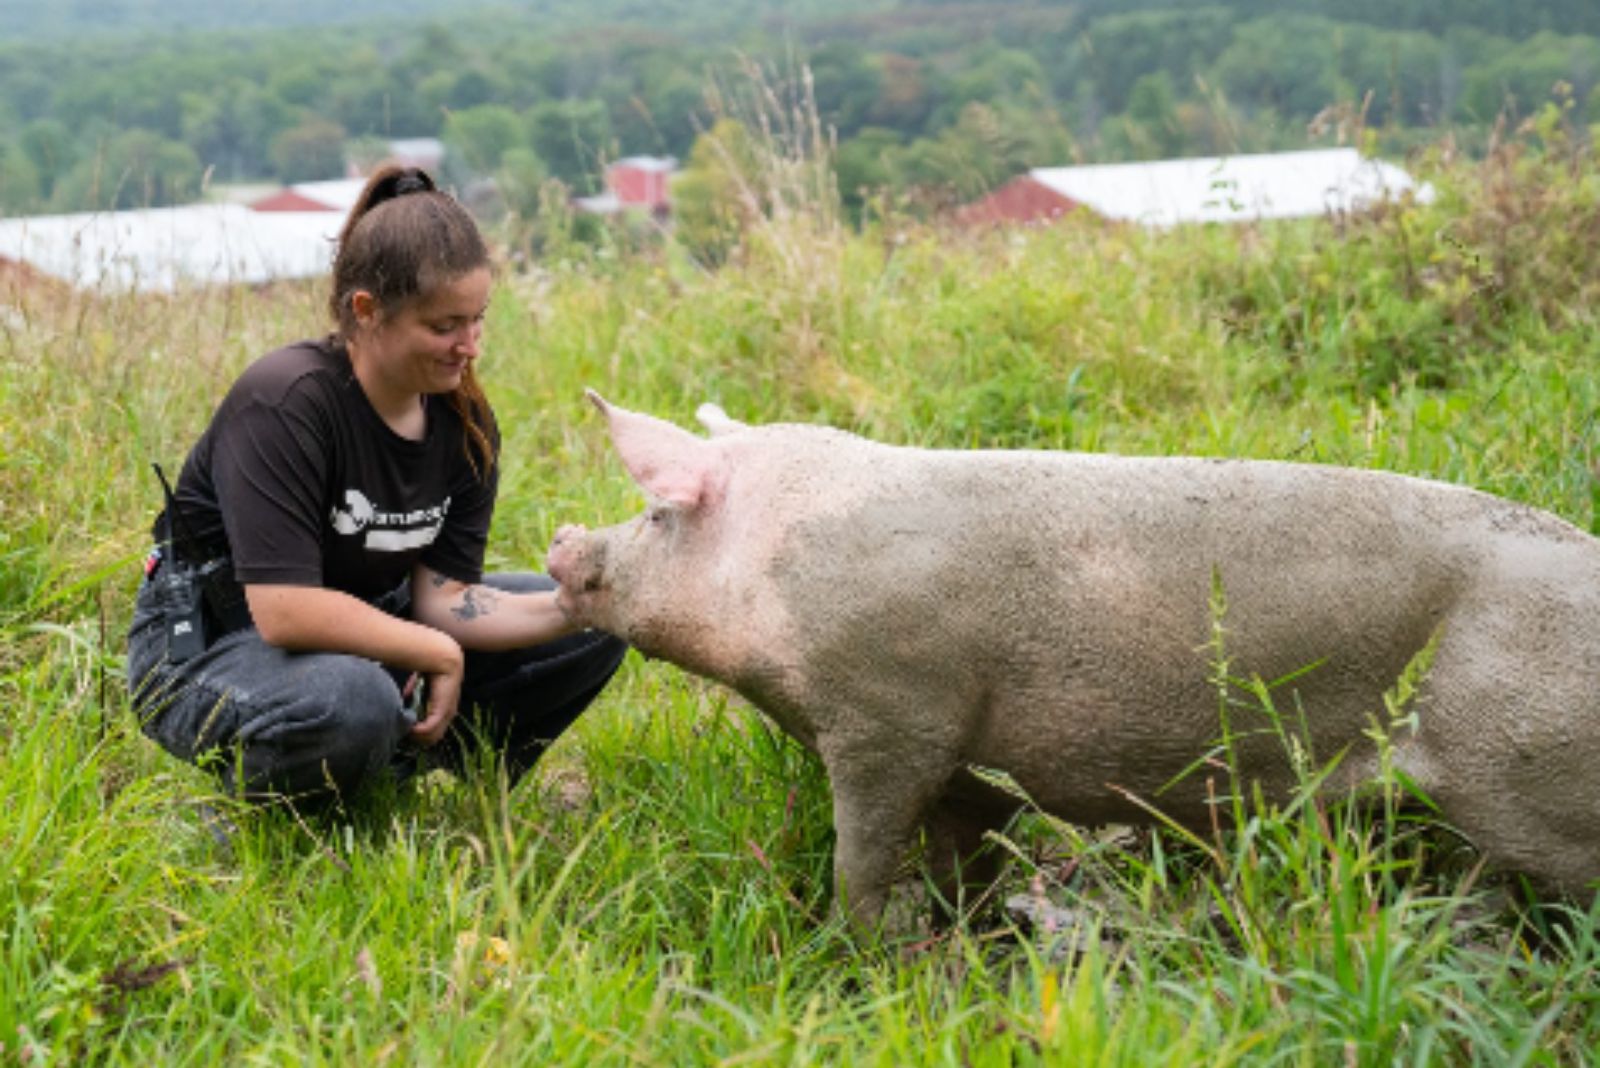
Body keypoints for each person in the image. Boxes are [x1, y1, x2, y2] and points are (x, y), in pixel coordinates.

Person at [125, 164, 628, 807]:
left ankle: (398, 781)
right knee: (353, 698)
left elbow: (443, 599)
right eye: (444, 326)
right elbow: (284, 612)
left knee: (596, 621)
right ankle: (255, 815)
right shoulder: (287, 402)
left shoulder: (463, 423)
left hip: (362, 629)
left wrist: (578, 605)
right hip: (212, 639)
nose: (469, 346)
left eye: (478, 320)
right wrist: (436, 653)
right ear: (367, 310)